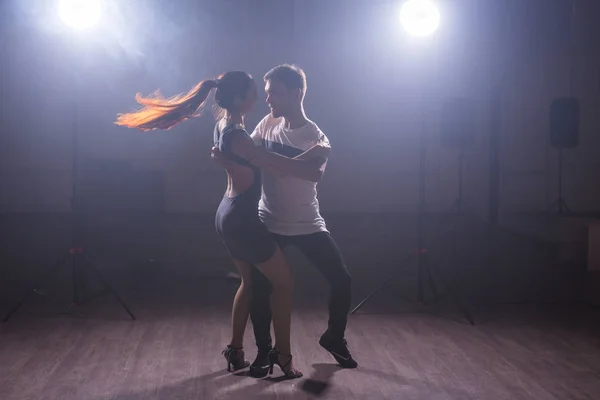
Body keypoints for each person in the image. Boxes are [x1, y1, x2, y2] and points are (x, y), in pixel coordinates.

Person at [115, 71, 329, 379]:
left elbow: (248, 159)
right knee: (284, 284)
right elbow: (274, 163)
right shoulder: (239, 136)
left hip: (227, 212)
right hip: (242, 218)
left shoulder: (225, 126)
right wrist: (318, 153)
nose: (261, 98)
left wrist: (227, 162)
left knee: (250, 282)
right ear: (240, 98)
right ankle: (282, 355)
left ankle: (235, 350)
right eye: (254, 93)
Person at [211, 64, 357, 378]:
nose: (268, 100)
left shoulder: (314, 134)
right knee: (261, 290)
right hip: (269, 220)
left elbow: (313, 174)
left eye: (273, 93)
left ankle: (334, 338)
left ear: (296, 93)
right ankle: (265, 353)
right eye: (264, 94)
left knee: (341, 279)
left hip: (307, 222)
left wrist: (275, 161)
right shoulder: (267, 123)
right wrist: (226, 158)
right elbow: (247, 155)